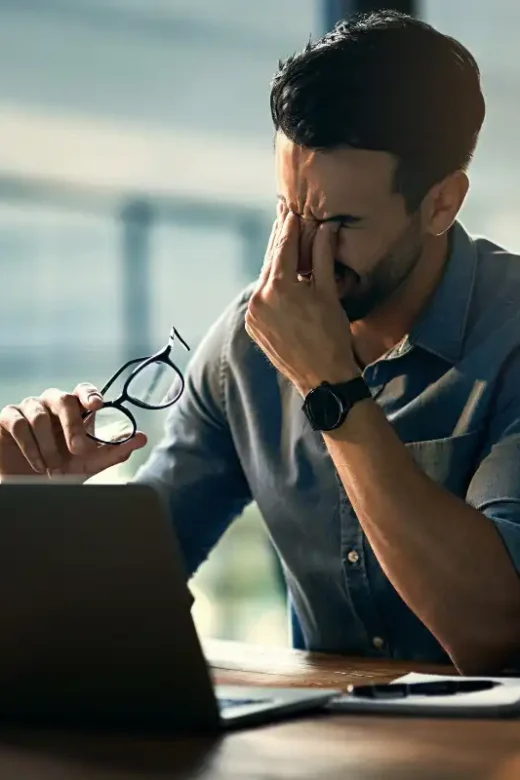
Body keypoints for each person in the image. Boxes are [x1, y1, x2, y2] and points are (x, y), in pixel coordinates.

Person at [1, 10, 520, 674]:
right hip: (326, 734)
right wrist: (38, 501)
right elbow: (123, 602)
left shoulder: (509, 337)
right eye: (289, 211)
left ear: (442, 204)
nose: (301, 254)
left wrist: (332, 390)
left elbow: (497, 634)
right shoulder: (246, 347)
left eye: (339, 223)